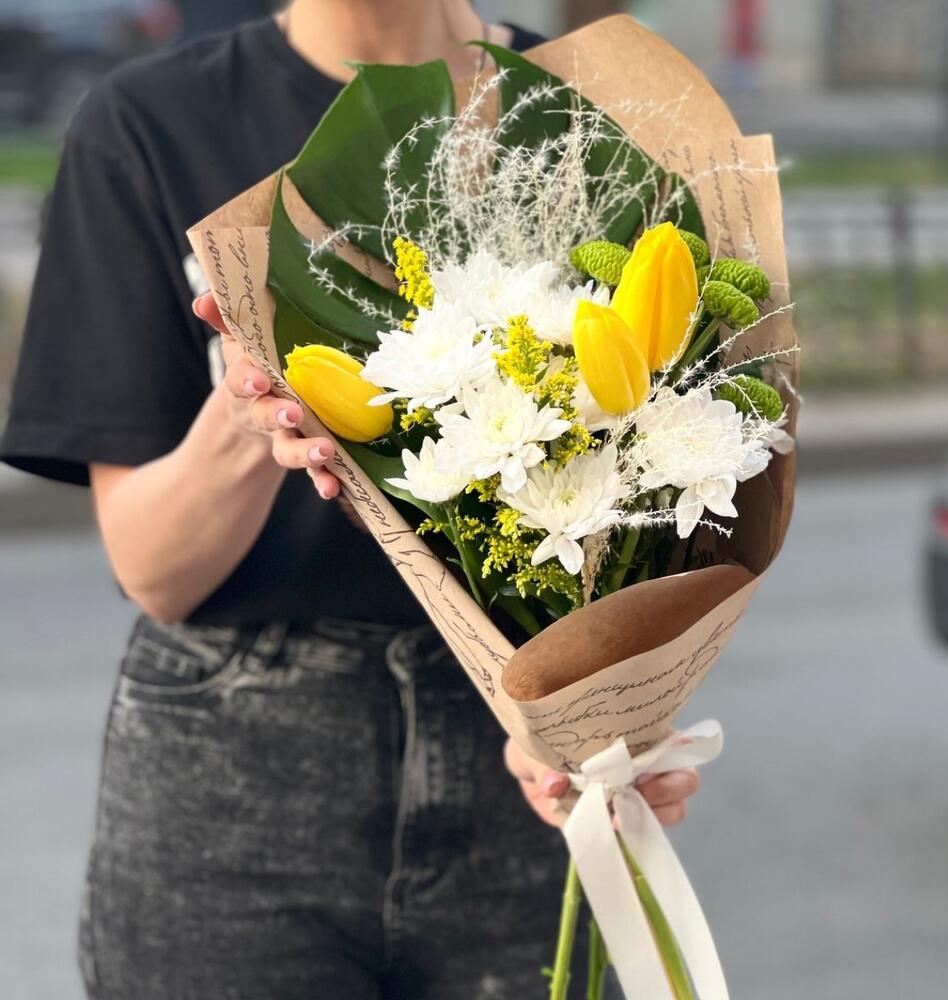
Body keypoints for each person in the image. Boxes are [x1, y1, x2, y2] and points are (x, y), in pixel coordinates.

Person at [0, 2, 701, 997]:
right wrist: (246, 413)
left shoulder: (601, 107)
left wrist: (606, 716)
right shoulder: (150, 123)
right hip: (233, 770)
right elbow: (155, 571)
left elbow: (667, 488)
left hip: (520, 766)